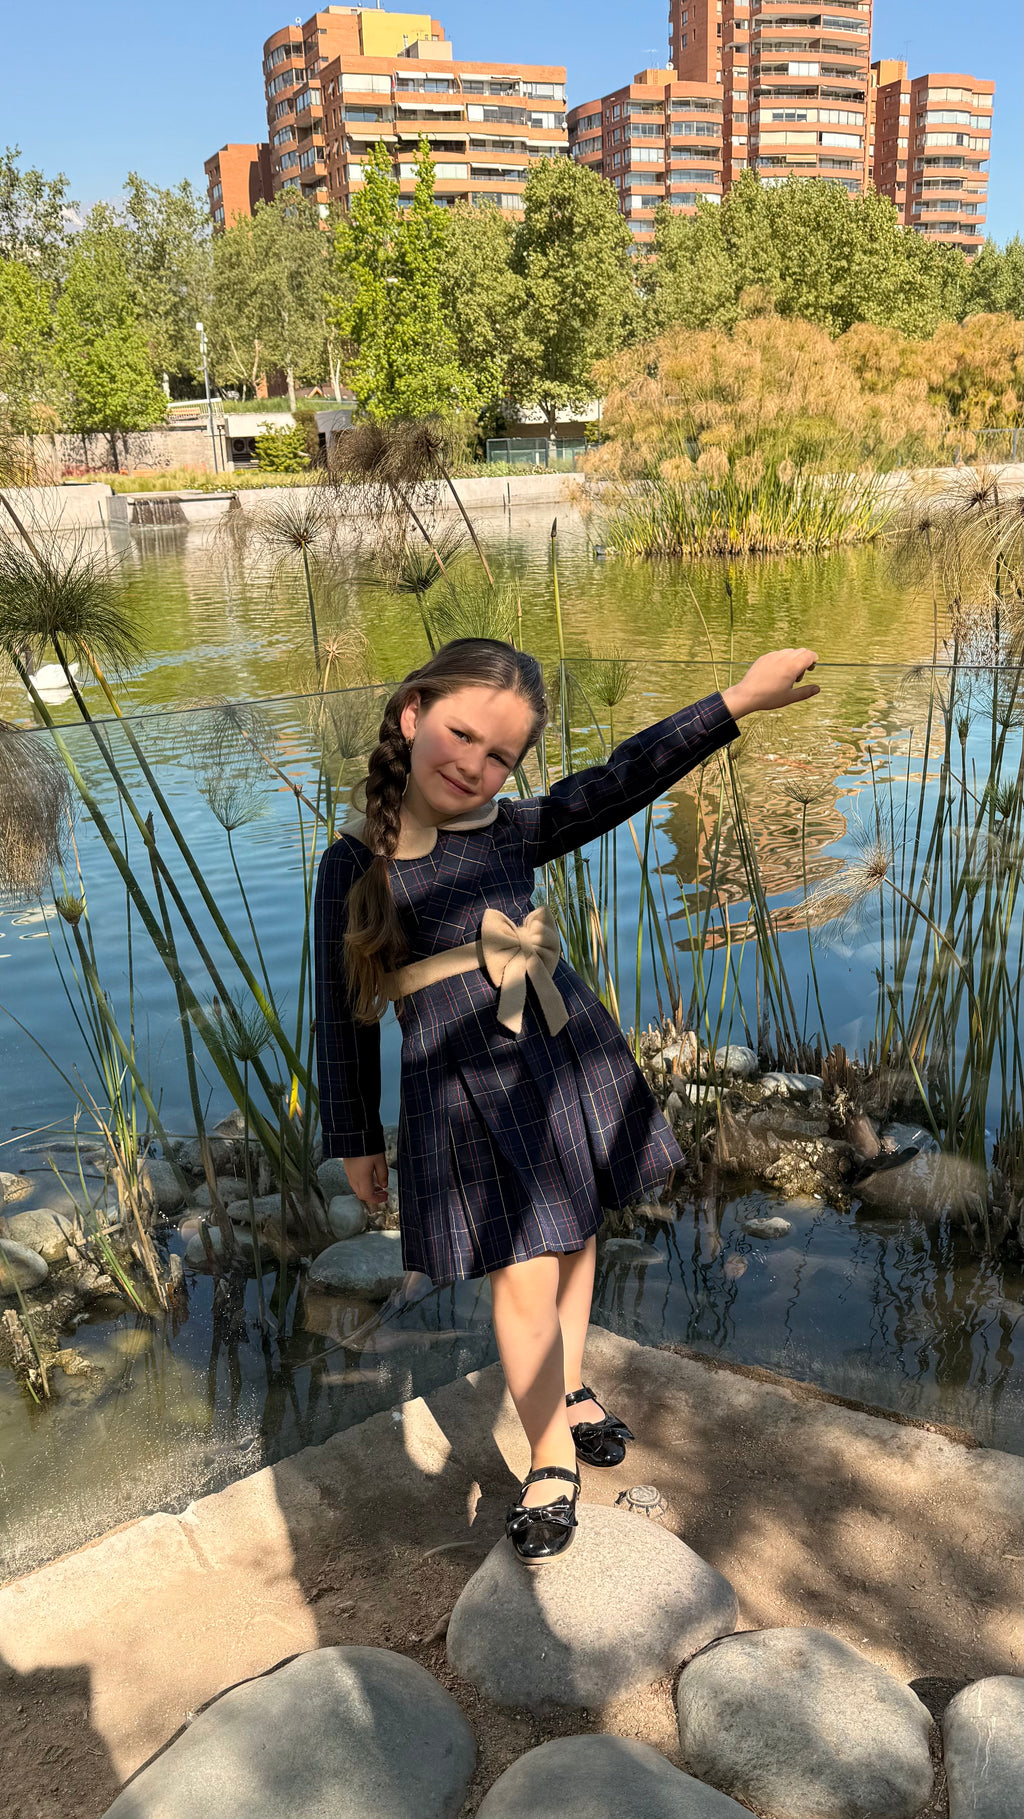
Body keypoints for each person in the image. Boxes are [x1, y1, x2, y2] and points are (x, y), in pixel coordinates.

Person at [314, 638, 819, 1564]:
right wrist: (353, 1131)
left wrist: (736, 699)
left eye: (500, 754)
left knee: (576, 1231)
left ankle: (570, 1383)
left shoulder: (508, 830)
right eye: (461, 733)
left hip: (558, 1043)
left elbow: (623, 777)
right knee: (522, 1263)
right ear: (412, 712)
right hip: (463, 1084)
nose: (474, 763)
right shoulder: (354, 861)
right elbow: (339, 1008)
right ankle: (550, 1456)